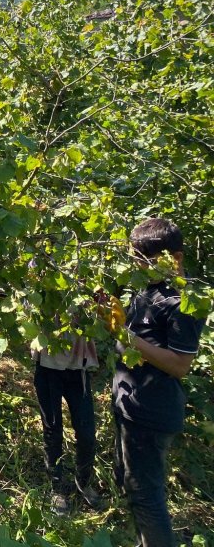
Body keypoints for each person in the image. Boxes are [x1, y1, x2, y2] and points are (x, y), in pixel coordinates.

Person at [111, 217, 207, 547]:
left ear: (174, 258)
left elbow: (180, 365)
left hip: (151, 415)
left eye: (143, 259)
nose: (136, 265)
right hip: (131, 406)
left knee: (147, 498)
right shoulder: (149, 290)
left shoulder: (184, 302)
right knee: (132, 486)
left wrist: (123, 335)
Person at [32, 331, 101, 515]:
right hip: (48, 364)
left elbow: (104, 314)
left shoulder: (90, 299)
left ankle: (83, 483)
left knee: (87, 432)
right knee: (52, 429)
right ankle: (57, 488)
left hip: (78, 368)